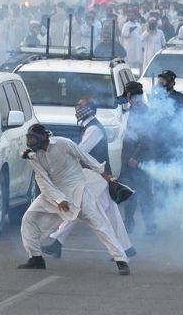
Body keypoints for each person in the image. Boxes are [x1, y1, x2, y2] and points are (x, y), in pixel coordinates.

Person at [18, 124, 130, 275]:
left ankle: (121, 260)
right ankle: (36, 258)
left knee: (100, 225)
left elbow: (85, 157)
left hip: (79, 191)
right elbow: (43, 181)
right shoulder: (33, 155)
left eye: (34, 138)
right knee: (29, 218)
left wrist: (105, 175)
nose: (31, 142)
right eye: (29, 139)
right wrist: (59, 200)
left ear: (44, 137)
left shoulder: (64, 143)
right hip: (53, 194)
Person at [41, 99, 135, 260]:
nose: (78, 108)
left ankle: (57, 240)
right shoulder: (89, 127)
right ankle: (126, 248)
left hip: (95, 176)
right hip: (97, 175)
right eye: (77, 105)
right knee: (110, 211)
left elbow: (80, 151)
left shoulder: (94, 129)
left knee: (77, 205)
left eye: (82, 106)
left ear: (91, 110)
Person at [118, 82, 156, 235]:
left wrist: (135, 157)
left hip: (138, 160)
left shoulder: (142, 112)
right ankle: (129, 223)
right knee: (131, 192)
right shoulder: (134, 110)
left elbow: (146, 138)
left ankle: (150, 226)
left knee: (144, 192)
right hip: (130, 160)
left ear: (129, 95)